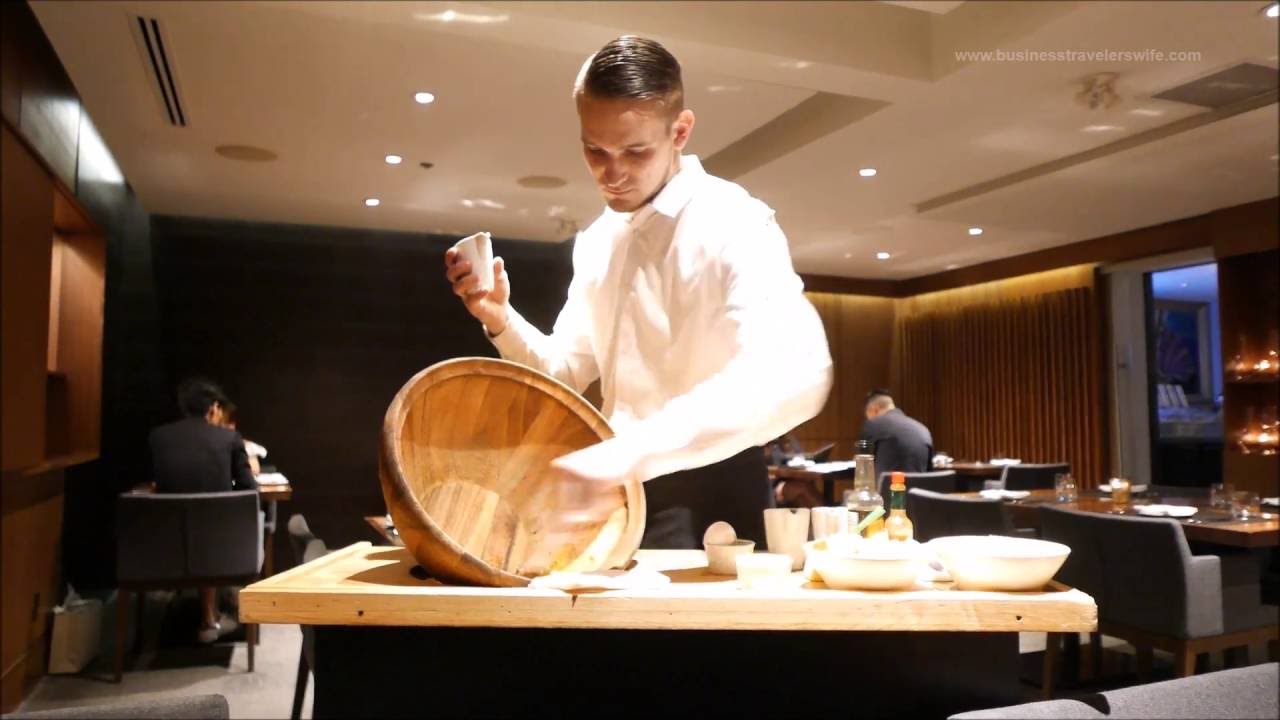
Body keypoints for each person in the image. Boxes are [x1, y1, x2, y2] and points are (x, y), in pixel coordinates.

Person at [444, 36, 832, 563]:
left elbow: (789, 370)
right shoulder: (600, 238)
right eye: (594, 150)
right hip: (617, 489)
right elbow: (566, 373)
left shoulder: (734, 221)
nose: (612, 173)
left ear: (681, 131)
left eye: (635, 151)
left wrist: (629, 452)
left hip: (713, 493)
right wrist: (500, 319)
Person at [148, 377, 258, 643]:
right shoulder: (229, 437)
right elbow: (250, 489)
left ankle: (205, 613)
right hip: (219, 551)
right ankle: (218, 611)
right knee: (217, 528)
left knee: (198, 526)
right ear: (214, 408)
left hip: (163, 547)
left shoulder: (158, 437)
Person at [858, 389, 933, 475]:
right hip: (919, 488)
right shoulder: (923, 429)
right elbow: (929, 472)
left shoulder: (873, 424)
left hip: (887, 487)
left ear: (874, 409)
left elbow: (863, 469)